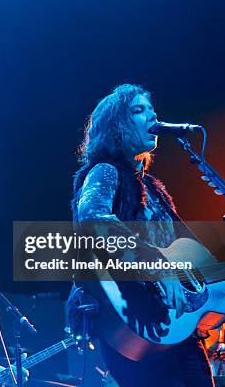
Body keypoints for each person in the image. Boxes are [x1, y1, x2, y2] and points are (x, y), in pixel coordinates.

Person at [68, 84, 214, 386]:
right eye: (138, 110)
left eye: (152, 109)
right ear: (116, 126)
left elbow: (190, 253)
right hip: (135, 318)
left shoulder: (155, 190)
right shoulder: (105, 171)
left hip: (175, 327)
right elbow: (94, 220)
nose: (153, 115)